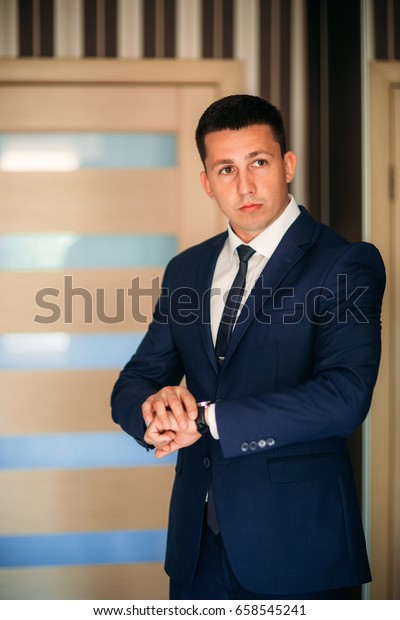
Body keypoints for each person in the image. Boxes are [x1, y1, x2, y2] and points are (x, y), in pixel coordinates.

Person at [111, 95, 385, 600]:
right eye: (225, 169)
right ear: (207, 183)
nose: (245, 185)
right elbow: (135, 381)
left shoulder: (343, 264)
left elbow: (344, 397)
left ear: (287, 166)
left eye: (258, 162)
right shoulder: (187, 271)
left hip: (299, 549)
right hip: (197, 553)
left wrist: (206, 420)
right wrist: (154, 415)